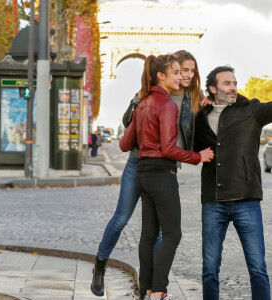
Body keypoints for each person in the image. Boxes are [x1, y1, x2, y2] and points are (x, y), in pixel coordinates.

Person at [91, 50, 207, 298]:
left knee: (154, 232)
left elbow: (198, 131)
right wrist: (137, 101)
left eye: (190, 71)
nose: (186, 75)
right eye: (181, 70)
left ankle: (150, 287)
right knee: (123, 219)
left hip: (164, 165)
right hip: (140, 162)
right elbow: (129, 132)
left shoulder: (193, 99)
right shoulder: (150, 95)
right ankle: (101, 266)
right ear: (166, 72)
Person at [120, 54, 214, 300]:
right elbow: (169, 148)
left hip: (143, 174)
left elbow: (124, 144)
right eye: (175, 72)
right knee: (173, 234)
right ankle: (159, 291)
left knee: (148, 235)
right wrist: (198, 156)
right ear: (161, 76)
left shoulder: (142, 104)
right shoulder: (168, 105)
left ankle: (147, 290)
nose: (180, 77)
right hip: (162, 174)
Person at [194, 65, 272, 300]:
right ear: (212, 88)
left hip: (246, 199)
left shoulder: (252, 110)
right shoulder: (201, 117)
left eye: (234, 83)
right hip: (213, 201)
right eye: (226, 83)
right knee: (209, 269)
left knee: (258, 268)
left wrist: (242, 98)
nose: (233, 87)